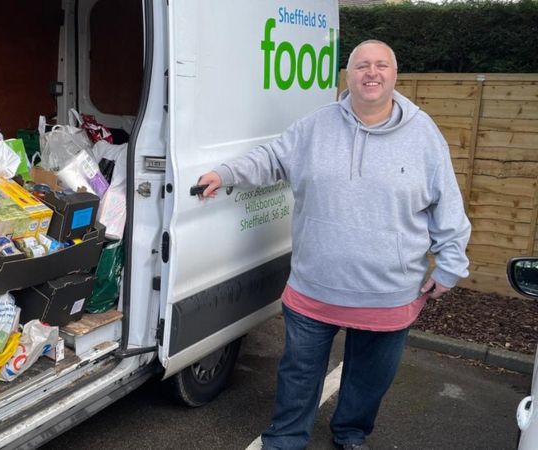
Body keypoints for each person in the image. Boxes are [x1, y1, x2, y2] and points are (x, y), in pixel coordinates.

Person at [197, 40, 471, 450]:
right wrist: (226, 173)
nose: (372, 73)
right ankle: (286, 439)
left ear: (396, 75)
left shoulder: (424, 135)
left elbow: (447, 205)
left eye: (381, 65)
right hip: (315, 287)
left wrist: (450, 265)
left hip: (388, 293)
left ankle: (351, 434)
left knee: (368, 380)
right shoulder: (314, 127)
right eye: (362, 65)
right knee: (298, 375)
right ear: (348, 75)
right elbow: (271, 158)